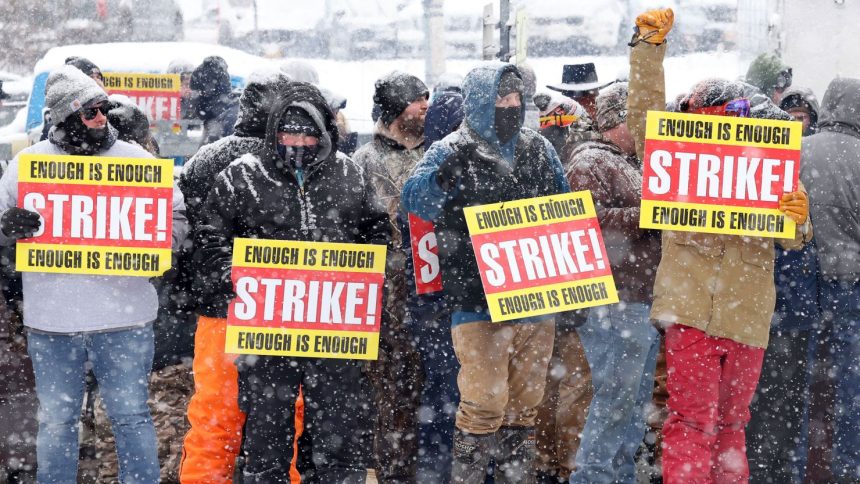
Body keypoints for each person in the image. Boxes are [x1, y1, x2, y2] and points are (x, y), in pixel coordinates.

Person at [626, 9, 813, 483]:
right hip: (690, 313)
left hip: (747, 316)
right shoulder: (677, 161)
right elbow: (644, 120)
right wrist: (648, 50)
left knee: (731, 425)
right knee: (692, 421)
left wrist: (800, 217)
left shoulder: (769, 165)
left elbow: (793, 238)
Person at [193, 81, 391, 482]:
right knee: (267, 439)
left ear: (324, 134)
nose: (297, 141)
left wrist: (373, 272)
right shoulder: (241, 176)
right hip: (267, 334)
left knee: (337, 435)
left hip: (334, 331)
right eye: (287, 133)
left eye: (307, 133)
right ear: (273, 132)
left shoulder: (350, 174)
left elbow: (378, 232)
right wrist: (232, 272)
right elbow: (210, 237)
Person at [0, 64, 188, 484]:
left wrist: (163, 241)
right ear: (66, 118)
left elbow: (176, 217)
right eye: (91, 112)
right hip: (52, 322)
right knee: (56, 422)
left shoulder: (137, 161)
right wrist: (8, 227)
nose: (102, 118)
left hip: (123, 319)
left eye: (103, 109)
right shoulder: (28, 165)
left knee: (131, 417)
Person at [402, 62, 570, 483]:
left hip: (535, 296)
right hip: (476, 299)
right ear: (479, 103)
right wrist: (444, 176)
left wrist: (573, 288)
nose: (509, 106)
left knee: (525, 405)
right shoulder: (449, 149)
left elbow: (566, 210)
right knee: (482, 405)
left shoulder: (538, 148)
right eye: (500, 100)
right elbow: (414, 203)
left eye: (514, 99)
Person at [178, 71, 291, 483]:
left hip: (220, 311)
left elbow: (187, 236)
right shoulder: (295, 160)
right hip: (284, 309)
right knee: (288, 418)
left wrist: (202, 287)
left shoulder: (206, 159)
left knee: (214, 417)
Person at [565, 82, 662, 484]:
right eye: (635, 119)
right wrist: (646, 214)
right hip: (613, 299)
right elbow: (585, 222)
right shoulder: (589, 162)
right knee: (615, 399)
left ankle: (620, 475)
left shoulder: (631, 161)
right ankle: (592, 476)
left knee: (634, 401)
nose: (643, 128)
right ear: (614, 121)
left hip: (640, 298)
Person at [353, 71, 430, 482]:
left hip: (432, 296)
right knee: (388, 395)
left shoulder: (436, 155)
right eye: (417, 99)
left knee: (428, 391)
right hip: (385, 302)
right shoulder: (363, 162)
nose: (425, 106)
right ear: (396, 108)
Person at [745, 85, 821, 484]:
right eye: (787, 116)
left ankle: (777, 470)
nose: (795, 123)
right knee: (769, 399)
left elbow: (799, 237)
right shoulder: (761, 165)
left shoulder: (803, 164)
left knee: (785, 399)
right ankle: (767, 470)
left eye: (801, 116)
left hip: (792, 304)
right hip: (770, 303)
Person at [799, 77, 860, 483]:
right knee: (851, 385)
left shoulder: (798, 151)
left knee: (800, 383)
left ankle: (801, 462)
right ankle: (846, 468)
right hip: (851, 285)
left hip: (798, 284)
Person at [190, 56, 239, 146]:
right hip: (217, 116)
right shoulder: (221, 73)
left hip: (208, 115)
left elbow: (195, 95)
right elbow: (225, 93)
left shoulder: (198, 72)